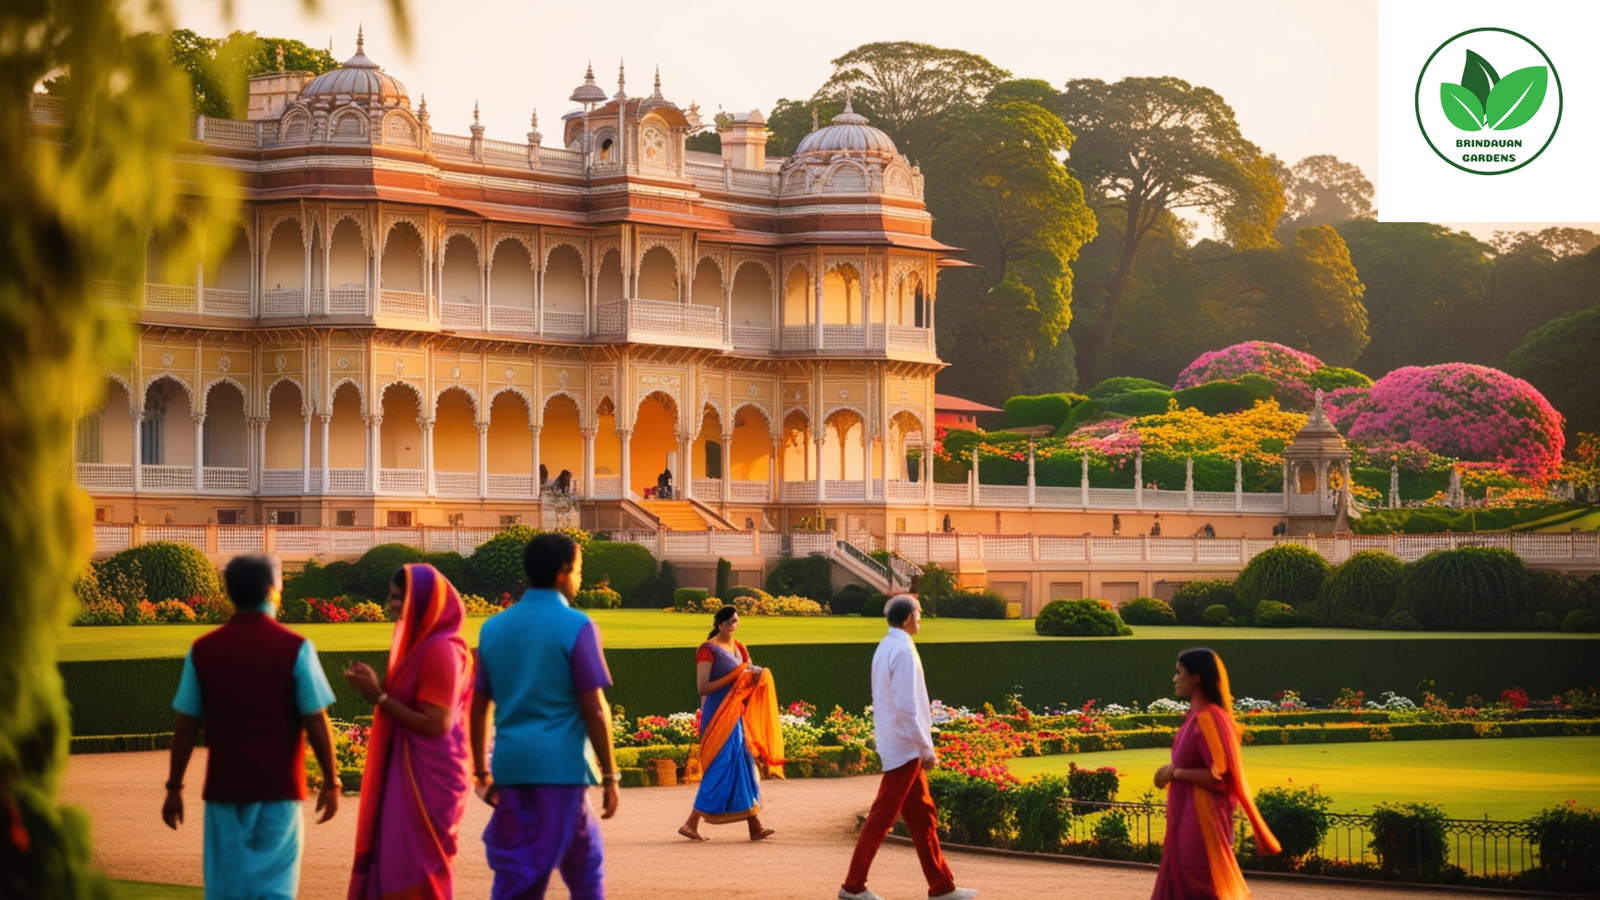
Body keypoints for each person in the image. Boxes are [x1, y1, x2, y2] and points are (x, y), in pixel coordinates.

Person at [162, 553, 340, 900]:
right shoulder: (296, 648)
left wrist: (174, 787)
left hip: (225, 789)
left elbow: (186, 725)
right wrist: (331, 780)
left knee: (226, 890)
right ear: (273, 591)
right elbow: (315, 718)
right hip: (279, 789)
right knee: (275, 891)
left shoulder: (203, 650)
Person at [472, 533, 619, 900]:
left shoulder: (493, 628)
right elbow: (595, 711)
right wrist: (611, 774)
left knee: (565, 862)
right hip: (559, 769)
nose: (580, 579)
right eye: (580, 571)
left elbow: (478, 709)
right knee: (539, 875)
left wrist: (480, 770)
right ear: (562, 573)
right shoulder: (577, 625)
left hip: (510, 766)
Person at [343, 563, 474, 900]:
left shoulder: (440, 649)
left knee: (415, 867)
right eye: (391, 597)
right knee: (396, 860)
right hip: (416, 769)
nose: (391, 605)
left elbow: (437, 723)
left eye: (399, 597)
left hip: (430, 778)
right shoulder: (422, 647)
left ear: (424, 600)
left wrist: (378, 696)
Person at [840, 596, 976, 900]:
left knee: (923, 817)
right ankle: (852, 885)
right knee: (882, 817)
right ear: (907, 619)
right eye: (919, 614)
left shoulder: (887, 646)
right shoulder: (902, 650)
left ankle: (942, 887)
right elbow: (907, 706)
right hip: (905, 747)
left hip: (898, 743)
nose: (921, 618)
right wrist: (926, 749)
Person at [1150, 648, 1280, 900]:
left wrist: (1174, 772)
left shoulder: (1210, 718)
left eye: (1179, 672)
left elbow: (1219, 776)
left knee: (1199, 885)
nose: (1174, 679)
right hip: (1186, 816)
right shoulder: (1197, 718)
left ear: (1196, 677)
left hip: (1202, 821)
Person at [679, 605, 784, 842]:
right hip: (716, 714)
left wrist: (756, 676)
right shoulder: (708, 650)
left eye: (736, 621)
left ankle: (754, 825)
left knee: (742, 764)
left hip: (735, 713)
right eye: (730, 622)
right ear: (719, 625)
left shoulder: (740, 648)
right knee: (720, 765)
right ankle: (691, 822)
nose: (734, 625)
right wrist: (735, 675)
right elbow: (702, 687)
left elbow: (747, 677)